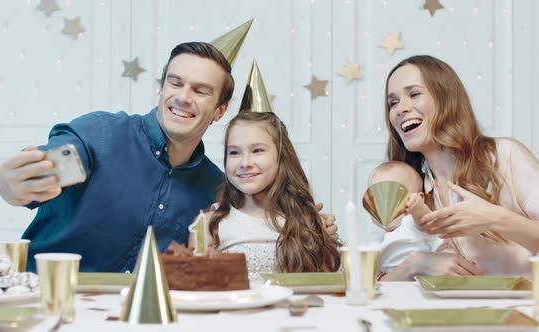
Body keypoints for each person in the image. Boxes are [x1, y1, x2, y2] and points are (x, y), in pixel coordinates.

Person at [0, 42, 235, 272]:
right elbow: (49, 168)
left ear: (220, 110)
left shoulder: (215, 189)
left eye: (200, 90)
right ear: (161, 88)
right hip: (48, 297)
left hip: (142, 311)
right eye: (175, 83)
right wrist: (14, 182)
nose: (183, 97)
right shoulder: (101, 137)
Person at [380, 54, 539, 280]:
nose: (400, 109)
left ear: (447, 99)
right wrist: (415, 264)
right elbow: (377, 285)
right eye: (392, 102)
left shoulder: (505, 156)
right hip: (447, 316)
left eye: (414, 94)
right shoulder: (410, 185)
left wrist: (495, 218)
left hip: (519, 313)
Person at [189, 111, 342, 276]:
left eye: (257, 150)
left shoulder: (305, 222)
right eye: (234, 152)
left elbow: (327, 283)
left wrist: (320, 238)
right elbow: (198, 286)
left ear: (281, 157)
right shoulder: (208, 225)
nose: (245, 163)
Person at [368, 161, 453, 277]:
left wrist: (416, 206)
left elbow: (423, 219)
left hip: (424, 281)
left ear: (419, 198)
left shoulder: (410, 223)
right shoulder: (382, 240)